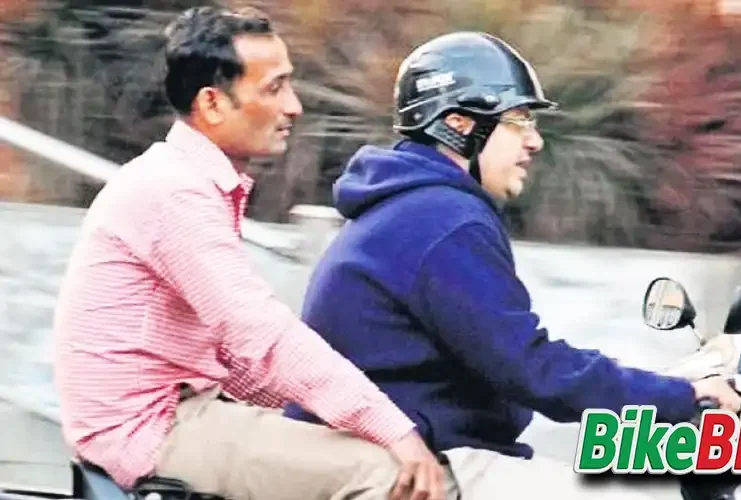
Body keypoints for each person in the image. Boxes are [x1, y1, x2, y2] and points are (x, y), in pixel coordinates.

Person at [282, 32, 741, 498]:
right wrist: (679, 397)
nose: (535, 141)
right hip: (413, 466)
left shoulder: (408, 207)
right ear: (459, 125)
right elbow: (531, 368)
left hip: (396, 452)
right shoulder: (443, 220)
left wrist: (658, 389)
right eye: (518, 120)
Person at [53, 6, 449, 500]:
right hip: (149, 428)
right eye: (274, 88)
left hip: (173, 411)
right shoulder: (174, 193)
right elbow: (259, 333)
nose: (294, 106)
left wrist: (329, 412)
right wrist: (390, 427)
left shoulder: (186, 181)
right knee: (390, 473)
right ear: (213, 103)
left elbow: (235, 354)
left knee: (367, 443)